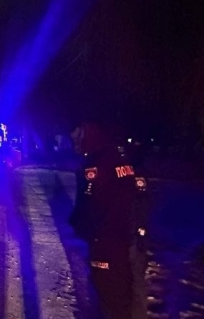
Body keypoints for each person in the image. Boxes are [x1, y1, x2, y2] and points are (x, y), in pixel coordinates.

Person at [68, 121, 147, 319]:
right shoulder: (122, 158)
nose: (75, 144)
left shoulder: (95, 165)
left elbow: (89, 206)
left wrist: (81, 227)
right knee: (128, 289)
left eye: (77, 138)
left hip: (106, 240)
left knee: (108, 292)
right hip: (127, 237)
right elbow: (140, 196)